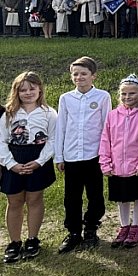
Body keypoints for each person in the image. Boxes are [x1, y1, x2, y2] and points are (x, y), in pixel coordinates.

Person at [53, 56, 112, 253]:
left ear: (93, 76)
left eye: (84, 74)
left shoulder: (102, 97)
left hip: (93, 154)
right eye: (75, 74)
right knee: (71, 196)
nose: (79, 77)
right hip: (71, 156)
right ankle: (74, 232)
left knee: (95, 194)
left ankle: (91, 228)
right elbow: (61, 127)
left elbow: (106, 127)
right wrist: (59, 156)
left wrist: (106, 155)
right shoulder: (66, 98)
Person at [0, 72, 57, 263]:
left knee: (34, 198)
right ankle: (15, 242)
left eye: (32, 88)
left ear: (40, 89)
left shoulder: (49, 113)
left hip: (38, 159)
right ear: (16, 92)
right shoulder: (8, 113)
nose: (28, 93)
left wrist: (40, 161)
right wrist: (11, 164)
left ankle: (33, 239)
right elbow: (1, 141)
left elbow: (53, 140)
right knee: (15, 201)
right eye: (23, 89)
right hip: (13, 159)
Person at [99, 74, 138, 249]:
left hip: (136, 166)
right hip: (116, 166)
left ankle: (136, 226)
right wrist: (105, 163)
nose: (127, 97)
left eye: (132, 93)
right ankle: (124, 226)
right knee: (122, 198)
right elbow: (105, 139)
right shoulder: (112, 115)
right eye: (124, 94)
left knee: (137, 196)